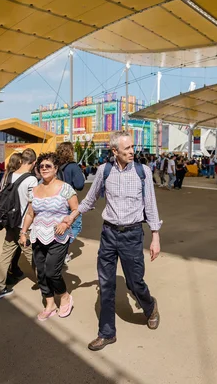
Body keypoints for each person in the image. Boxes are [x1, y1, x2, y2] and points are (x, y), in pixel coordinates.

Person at [66, 131, 161, 351]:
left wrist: (155, 236)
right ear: (114, 151)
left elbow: (151, 206)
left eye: (132, 147)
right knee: (106, 285)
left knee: (134, 282)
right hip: (108, 235)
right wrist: (72, 215)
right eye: (126, 148)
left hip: (132, 235)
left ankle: (150, 306)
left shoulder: (142, 172)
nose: (132, 151)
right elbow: (90, 200)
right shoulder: (104, 171)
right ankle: (107, 333)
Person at [19, 152, 78, 321]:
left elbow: (75, 209)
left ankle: (64, 296)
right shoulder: (35, 190)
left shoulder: (65, 188)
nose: (44, 169)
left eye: (48, 166)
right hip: (38, 235)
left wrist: (66, 223)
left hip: (58, 236)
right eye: (41, 166)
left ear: (55, 168)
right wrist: (23, 232)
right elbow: (30, 214)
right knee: (41, 272)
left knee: (52, 271)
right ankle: (50, 304)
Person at [0, 149, 38, 300]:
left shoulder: (9, 175)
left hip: (10, 221)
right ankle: (46, 285)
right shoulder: (31, 180)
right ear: (34, 162)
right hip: (25, 224)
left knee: (5, 254)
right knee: (33, 255)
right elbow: (33, 205)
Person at [55, 142, 85, 264]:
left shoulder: (55, 166)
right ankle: (61, 248)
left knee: (60, 225)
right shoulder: (73, 167)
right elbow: (80, 185)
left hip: (56, 201)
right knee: (76, 225)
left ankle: (58, 247)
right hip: (69, 202)